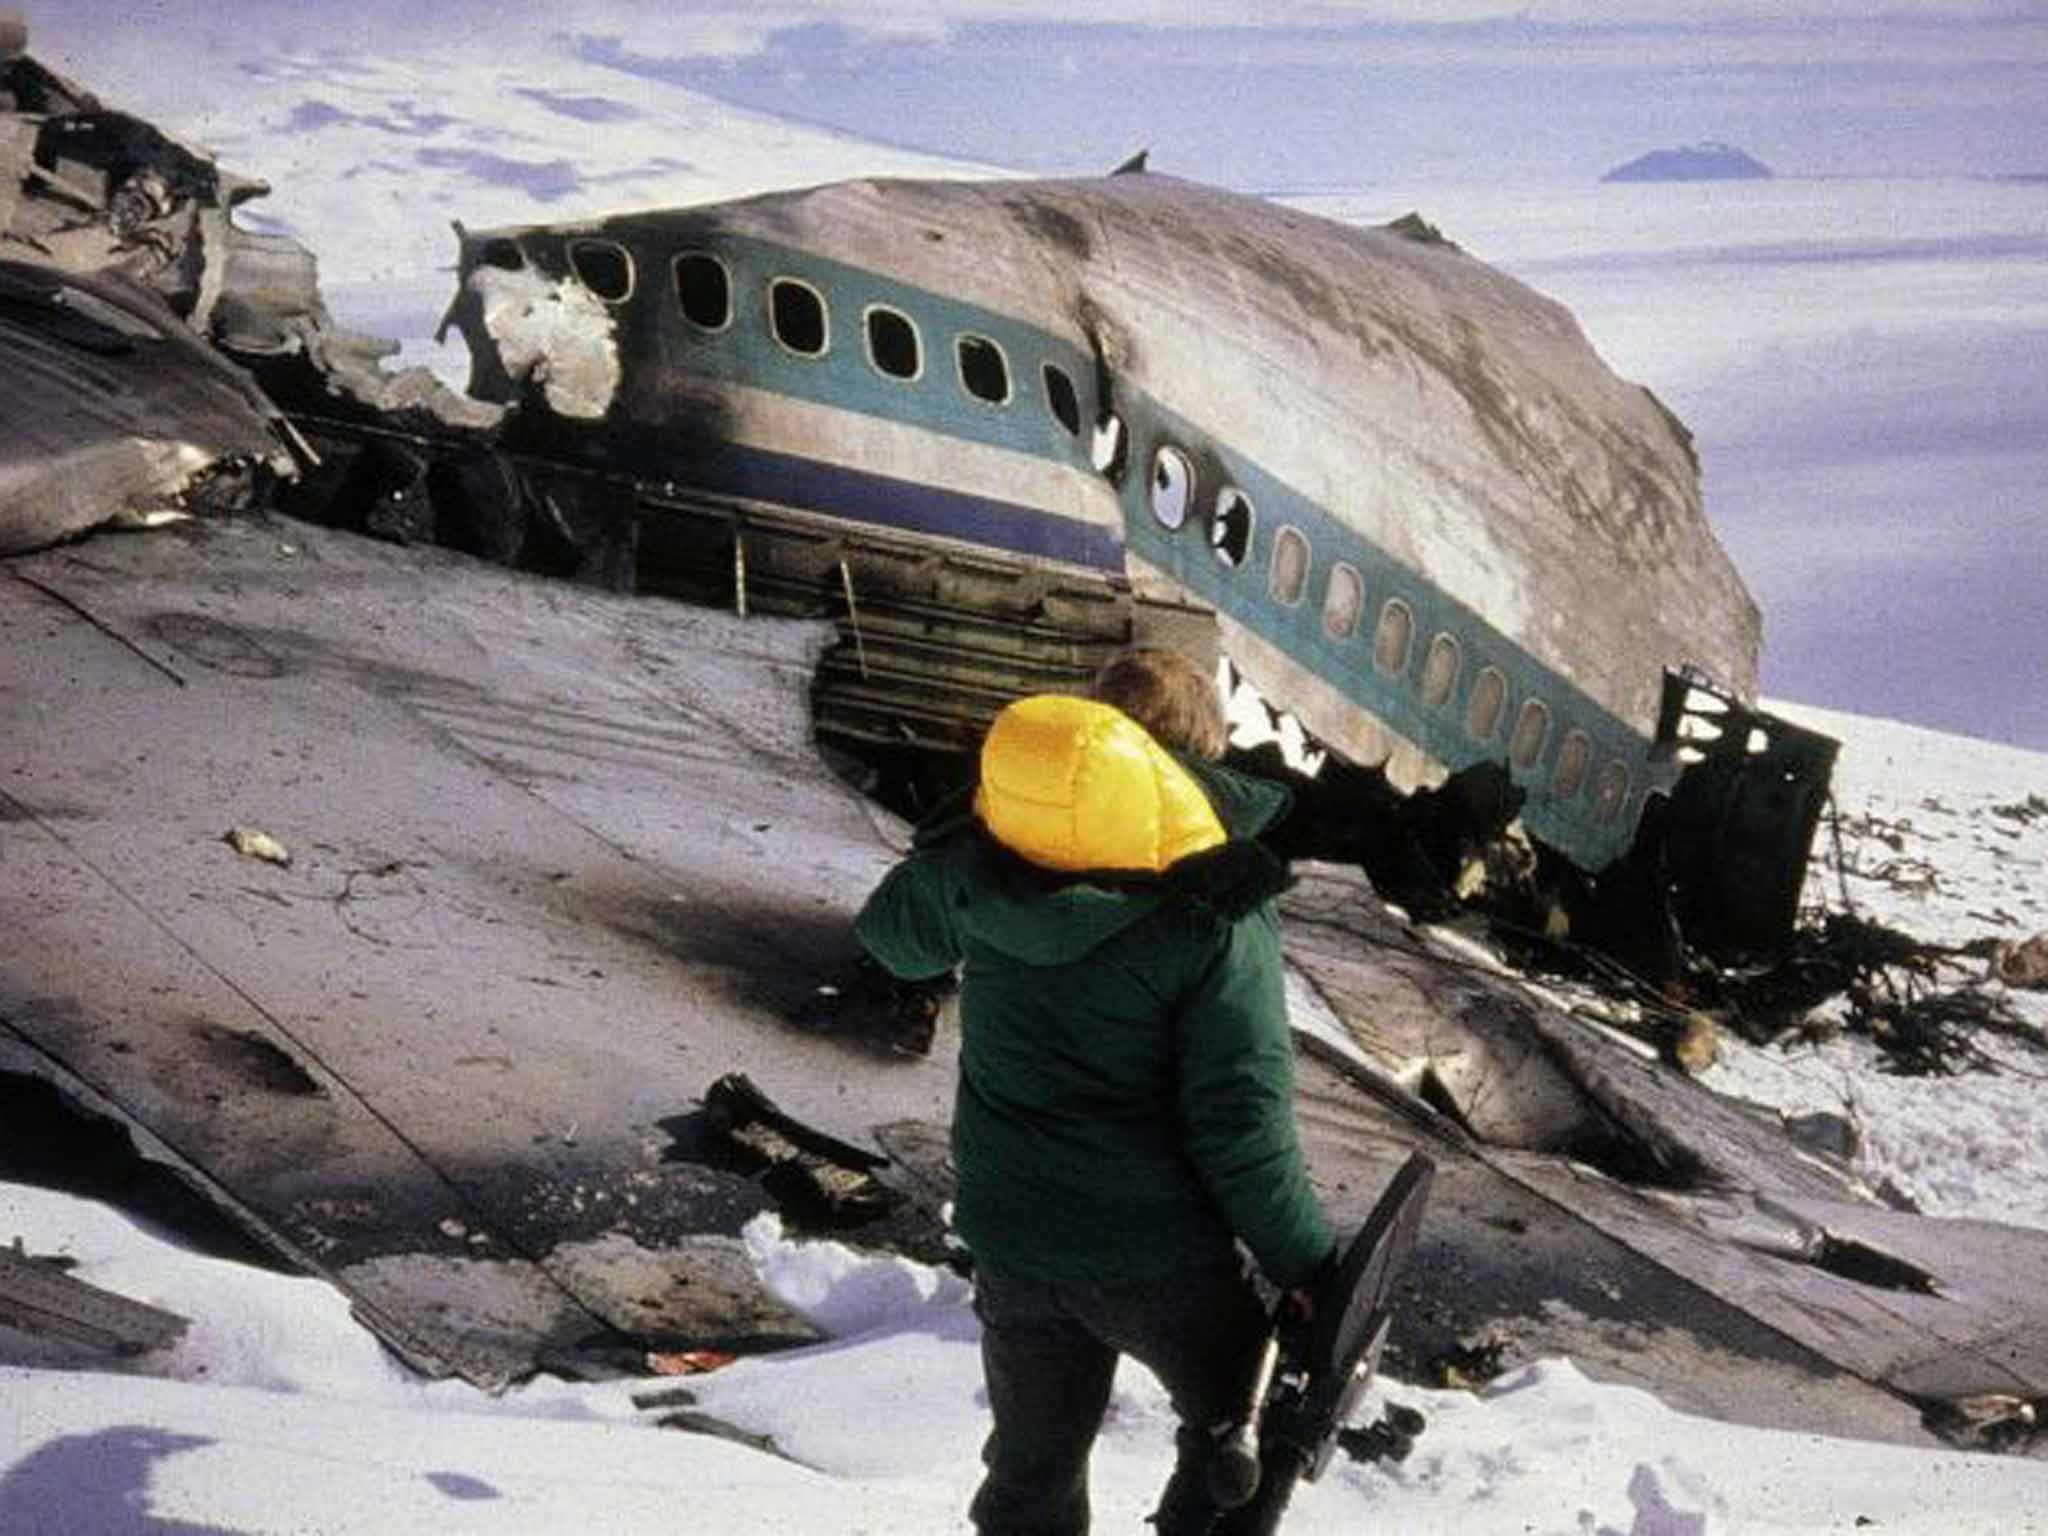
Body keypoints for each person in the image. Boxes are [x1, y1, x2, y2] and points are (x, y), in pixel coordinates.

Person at [855, 647, 1334, 1535]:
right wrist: (1305, 1261)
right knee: (1248, 1439)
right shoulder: (1214, 902)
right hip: (1157, 1259)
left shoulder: (992, 861)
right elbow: (1240, 1123)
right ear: (1204, 754)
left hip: (1015, 1243)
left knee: (1031, 1476)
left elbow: (890, 938)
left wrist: (967, 830)